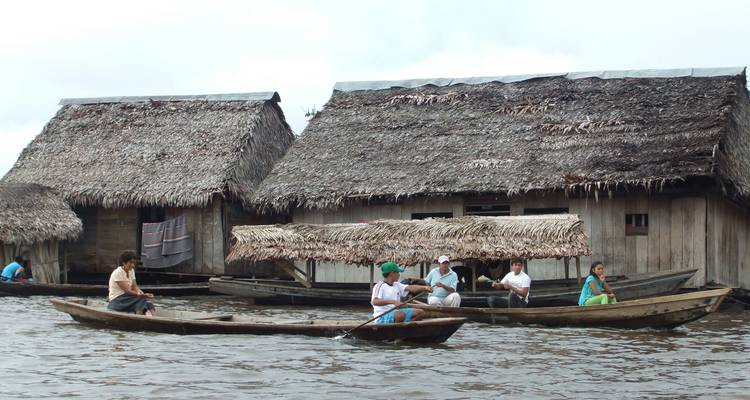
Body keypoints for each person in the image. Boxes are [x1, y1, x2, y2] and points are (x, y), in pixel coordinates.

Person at [107, 251, 155, 316]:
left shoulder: (131, 271)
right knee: (141, 299)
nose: (133, 265)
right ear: (124, 263)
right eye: (131, 263)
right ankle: (139, 318)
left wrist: (141, 293)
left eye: (133, 263)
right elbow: (127, 291)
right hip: (117, 300)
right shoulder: (118, 272)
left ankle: (153, 317)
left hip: (127, 298)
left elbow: (135, 286)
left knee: (148, 303)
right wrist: (141, 295)